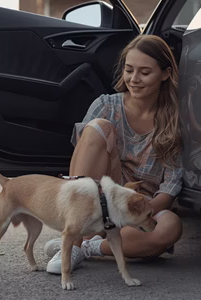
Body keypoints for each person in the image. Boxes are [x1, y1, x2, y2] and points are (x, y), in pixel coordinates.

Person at [44, 35, 184, 274]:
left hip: (140, 208)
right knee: (98, 126)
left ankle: (92, 248)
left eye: (144, 72)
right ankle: (74, 242)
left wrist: (142, 208)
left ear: (165, 73)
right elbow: (84, 159)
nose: (134, 79)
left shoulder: (174, 120)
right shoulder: (107, 105)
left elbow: (170, 185)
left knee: (170, 228)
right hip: (98, 201)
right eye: (129, 70)